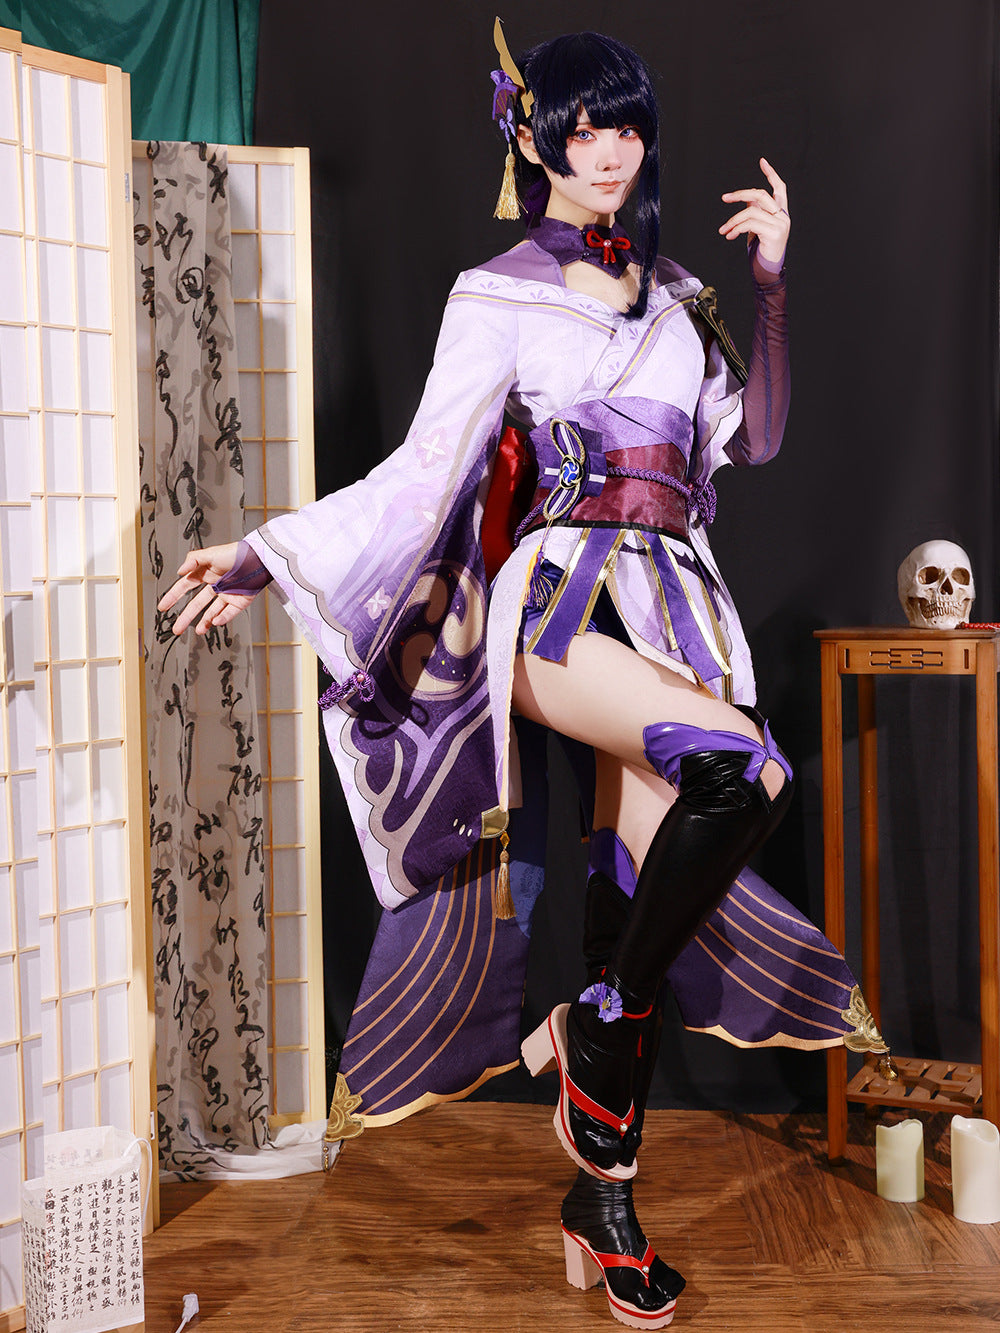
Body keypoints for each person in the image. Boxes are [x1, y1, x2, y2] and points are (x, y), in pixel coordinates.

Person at [159, 28, 888, 1329]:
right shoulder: (494, 292)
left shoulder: (679, 295)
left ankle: (605, 1202)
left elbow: (760, 437)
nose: (610, 151)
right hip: (560, 607)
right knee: (745, 771)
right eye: (584, 128)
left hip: (677, 611)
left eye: (628, 127)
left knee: (634, 911)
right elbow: (418, 472)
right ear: (536, 138)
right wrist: (267, 556)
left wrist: (772, 281)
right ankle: (590, 1024)